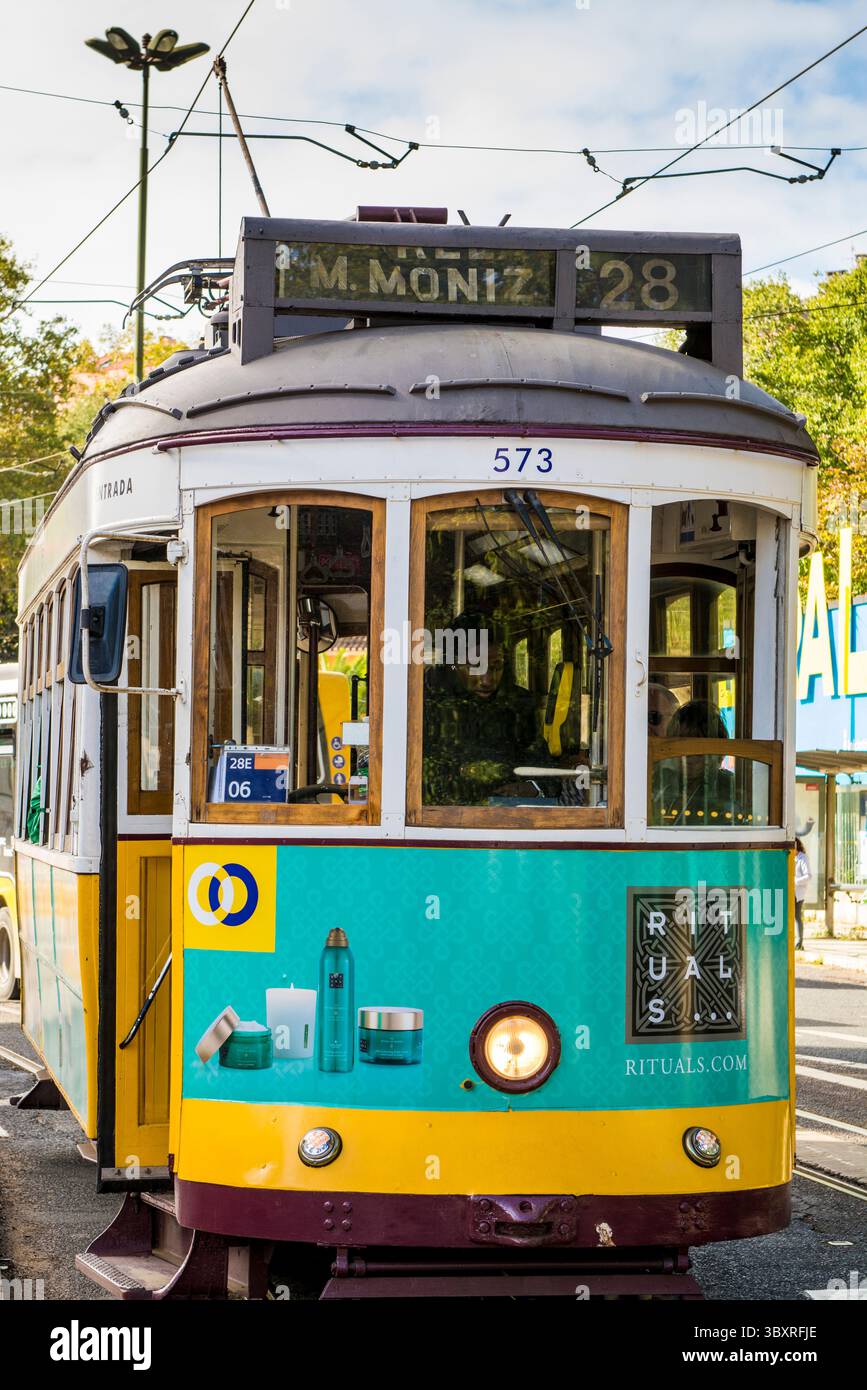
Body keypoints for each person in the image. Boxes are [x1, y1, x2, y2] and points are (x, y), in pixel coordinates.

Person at [422, 614, 546, 806]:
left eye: (496, 667)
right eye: (476, 666)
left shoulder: (519, 704)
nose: (487, 680)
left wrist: (532, 787)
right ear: (453, 664)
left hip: (506, 815)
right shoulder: (424, 703)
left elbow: (544, 765)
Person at [652, 698, 739, 826]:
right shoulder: (665, 783)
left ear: (719, 754)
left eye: (698, 750)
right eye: (681, 748)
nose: (688, 757)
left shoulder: (729, 789)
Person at [794, 837, 811, 950]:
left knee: (797, 916)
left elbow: (808, 876)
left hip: (797, 893)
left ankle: (799, 942)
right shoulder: (790, 857)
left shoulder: (802, 858)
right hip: (789, 891)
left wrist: (795, 881)